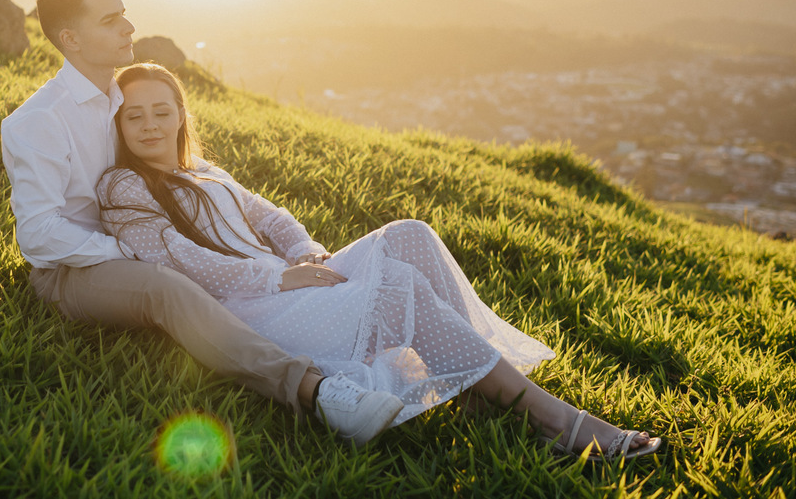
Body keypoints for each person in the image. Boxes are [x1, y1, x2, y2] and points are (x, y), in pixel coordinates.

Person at [97, 62, 666, 460]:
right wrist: (280, 275)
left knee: (409, 234)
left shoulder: (205, 172)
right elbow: (180, 259)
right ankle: (556, 421)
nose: (150, 126)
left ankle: (476, 389)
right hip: (246, 311)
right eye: (134, 117)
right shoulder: (123, 185)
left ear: (180, 114)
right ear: (118, 126)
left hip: (288, 280)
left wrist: (305, 253)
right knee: (394, 285)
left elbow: (271, 219)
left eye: (161, 112)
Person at [1, 0, 404, 445]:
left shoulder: (124, 99)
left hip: (143, 237)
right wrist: (130, 250)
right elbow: (38, 233)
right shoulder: (37, 121)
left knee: (198, 267)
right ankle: (317, 391)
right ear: (70, 38)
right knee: (164, 285)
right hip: (75, 267)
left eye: (124, 14)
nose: (128, 28)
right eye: (111, 20)